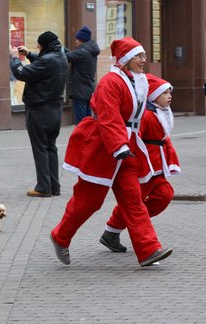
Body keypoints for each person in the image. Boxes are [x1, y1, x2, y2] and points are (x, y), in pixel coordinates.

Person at [50, 37, 173, 267]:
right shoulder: (110, 82)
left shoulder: (136, 80)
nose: (143, 60)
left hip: (125, 150)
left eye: (144, 56)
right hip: (103, 149)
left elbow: (137, 113)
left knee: (133, 201)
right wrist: (119, 146)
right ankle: (60, 236)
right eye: (139, 56)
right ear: (126, 59)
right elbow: (109, 117)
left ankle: (148, 250)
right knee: (88, 201)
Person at [100, 73, 180, 252]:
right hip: (143, 167)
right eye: (165, 92)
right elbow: (134, 138)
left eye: (170, 92)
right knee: (134, 202)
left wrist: (171, 160)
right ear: (153, 95)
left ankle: (116, 229)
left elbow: (165, 140)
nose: (169, 96)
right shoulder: (145, 116)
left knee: (165, 195)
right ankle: (112, 232)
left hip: (157, 167)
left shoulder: (163, 113)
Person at [10, 31, 67, 197]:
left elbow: (22, 73)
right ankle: (54, 186)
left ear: (45, 45)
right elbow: (43, 64)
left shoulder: (47, 60)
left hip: (40, 110)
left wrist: (15, 58)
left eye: (39, 45)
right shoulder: (61, 56)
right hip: (55, 110)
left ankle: (43, 187)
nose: (37, 47)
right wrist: (29, 55)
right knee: (50, 147)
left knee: (40, 148)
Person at [64, 26, 100, 124]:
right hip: (87, 90)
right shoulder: (89, 51)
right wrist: (61, 48)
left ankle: (82, 139)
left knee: (81, 124)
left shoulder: (83, 52)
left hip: (80, 92)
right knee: (88, 122)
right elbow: (74, 54)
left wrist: (56, 48)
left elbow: (66, 57)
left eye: (77, 39)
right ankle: (88, 139)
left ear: (82, 40)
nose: (76, 41)